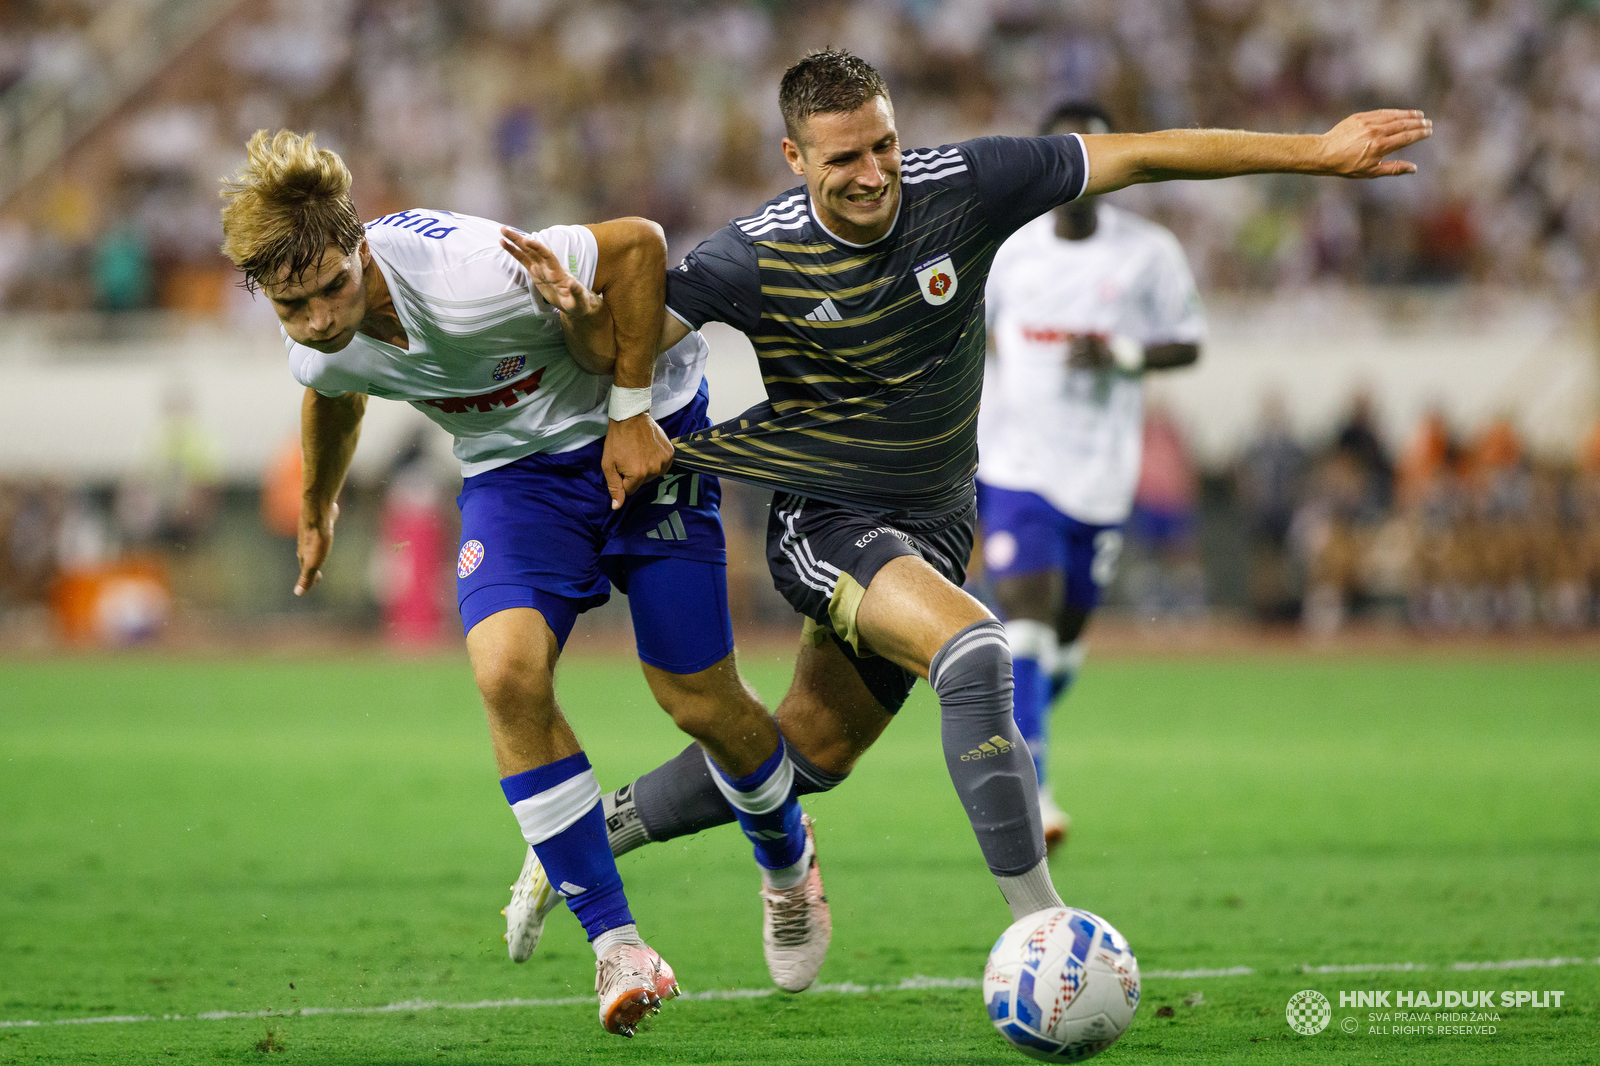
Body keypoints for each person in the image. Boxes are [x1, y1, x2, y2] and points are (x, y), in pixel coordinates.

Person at [509, 48, 1430, 945]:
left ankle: (585, 838)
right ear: (794, 159)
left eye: (884, 146)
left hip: (940, 517)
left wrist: (1315, 151)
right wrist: (586, 325)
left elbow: (1142, 153)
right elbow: (628, 346)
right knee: (976, 650)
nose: (874, 175)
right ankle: (1046, 931)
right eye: (844, 158)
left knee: (808, 756)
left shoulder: (967, 185)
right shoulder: (752, 257)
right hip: (826, 516)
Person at [217, 130, 829, 1037]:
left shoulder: (467, 274)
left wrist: (626, 410)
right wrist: (318, 502)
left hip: (646, 429)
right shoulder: (319, 341)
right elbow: (334, 388)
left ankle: (787, 863)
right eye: (290, 305)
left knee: (698, 698)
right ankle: (617, 946)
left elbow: (640, 244)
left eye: (331, 289)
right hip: (517, 479)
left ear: (362, 249)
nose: (316, 319)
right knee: (506, 673)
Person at [974, 101, 1204, 850]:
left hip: (1101, 477)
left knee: (1059, 646)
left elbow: (1188, 345)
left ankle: (1006, 715)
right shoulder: (1007, 249)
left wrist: (1125, 354)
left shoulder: (1148, 253)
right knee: (1030, 619)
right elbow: (970, 328)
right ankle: (1032, 793)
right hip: (1016, 466)